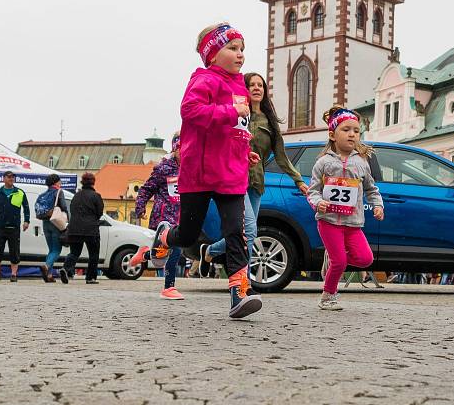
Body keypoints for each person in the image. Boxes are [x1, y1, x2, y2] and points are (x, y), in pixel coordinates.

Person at [149, 22, 263, 319]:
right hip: (199, 173)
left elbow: (237, 128)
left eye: (242, 50)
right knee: (187, 235)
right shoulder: (205, 79)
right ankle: (164, 237)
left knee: (236, 232)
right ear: (212, 54)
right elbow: (190, 111)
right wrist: (230, 112)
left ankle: (240, 293)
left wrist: (243, 147)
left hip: (231, 174)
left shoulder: (240, 85)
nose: (240, 55)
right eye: (232, 48)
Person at [203, 72, 308, 274]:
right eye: (252, 85)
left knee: (244, 232)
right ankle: (244, 280)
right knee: (250, 231)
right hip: (235, 178)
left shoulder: (269, 122)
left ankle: (211, 250)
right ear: (245, 89)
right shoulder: (236, 113)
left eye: (260, 85)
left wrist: (298, 181)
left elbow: (281, 157)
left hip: (257, 182)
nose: (257, 88)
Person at [307, 107, 384, 311]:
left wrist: (378, 205)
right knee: (340, 261)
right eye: (346, 129)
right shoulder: (323, 163)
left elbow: (371, 188)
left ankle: (332, 260)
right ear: (332, 135)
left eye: (356, 131)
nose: (352, 134)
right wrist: (317, 202)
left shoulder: (362, 162)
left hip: (353, 222)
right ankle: (327, 296)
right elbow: (312, 190)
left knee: (365, 259)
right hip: (328, 221)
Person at [130, 132, 185, 300]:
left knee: (164, 253)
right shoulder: (163, 168)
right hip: (164, 217)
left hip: (180, 216)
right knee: (174, 250)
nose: (186, 153)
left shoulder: (191, 168)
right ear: (175, 149)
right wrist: (140, 207)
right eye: (182, 149)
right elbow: (146, 189)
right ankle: (169, 287)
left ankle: (145, 254)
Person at [0, 171, 30, 282]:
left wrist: (27, 221)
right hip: (0, 227)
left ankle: (13, 275)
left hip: (14, 228)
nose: (11, 179)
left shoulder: (20, 192)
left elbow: (26, 208)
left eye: (13, 177)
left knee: (14, 252)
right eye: (9, 177)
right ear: (3, 178)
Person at [60, 172, 104, 284]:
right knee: (93, 254)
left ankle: (66, 269)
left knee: (74, 252)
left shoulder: (76, 196)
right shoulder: (96, 196)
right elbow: (99, 213)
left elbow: (72, 210)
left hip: (74, 228)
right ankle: (90, 277)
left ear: (82, 182)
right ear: (93, 182)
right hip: (91, 229)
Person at [35, 173, 67, 283]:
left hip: (45, 223)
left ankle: (49, 275)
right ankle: (46, 266)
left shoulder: (42, 195)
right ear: (56, 182)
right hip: (56, 222)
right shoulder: (59, 192)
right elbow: (63, 206)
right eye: (59, 181)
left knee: (51, 249)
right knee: (57, 250)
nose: (60, 183)